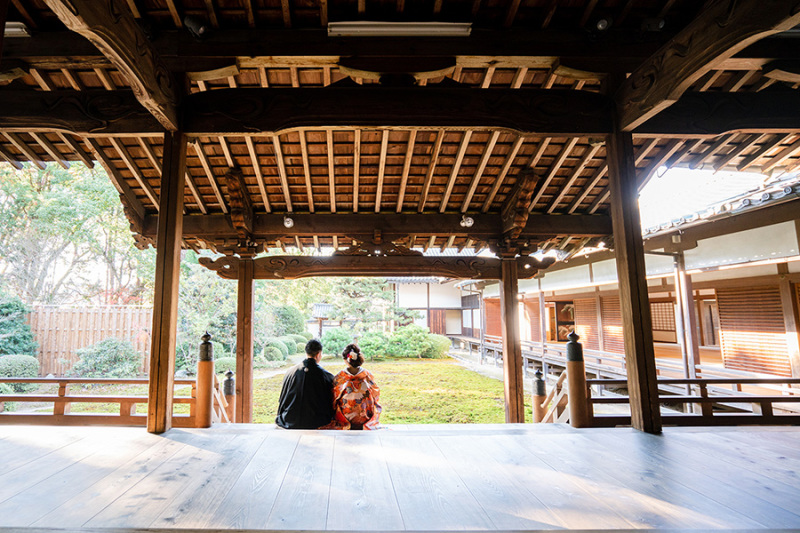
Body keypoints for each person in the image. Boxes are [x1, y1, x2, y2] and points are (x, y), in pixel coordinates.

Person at [275, 339, 334, 429]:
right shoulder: (325, 376)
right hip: (316, 421)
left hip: (290, 419)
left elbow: (282, 399)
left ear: (306, 352)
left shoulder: (290, 372)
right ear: (318, 354)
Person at [324, 343, 381, 430]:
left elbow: (334, 397)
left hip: (346, 417)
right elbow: (375, 393)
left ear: (346, 360)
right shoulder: (367, 375)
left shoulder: (341, 376)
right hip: (365, 416)